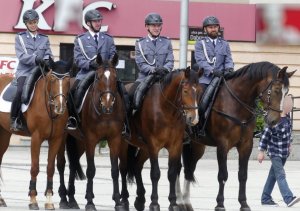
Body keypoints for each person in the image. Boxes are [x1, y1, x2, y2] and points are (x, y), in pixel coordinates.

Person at [66, 9, 116, 130]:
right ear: (88, 23)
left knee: (122, 91)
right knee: (72, 91)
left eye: (100, 21)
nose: (98, 23)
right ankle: (72, 119)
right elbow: (77, 60)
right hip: (85, 73)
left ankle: (124, 121)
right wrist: (90, 64)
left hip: (105, 73)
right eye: (95, 21)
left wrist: (106, 66)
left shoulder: (108, 39)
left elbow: (113, 55)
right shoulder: (80, 39)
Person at [11, 9, 52, 131]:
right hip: (25, 71)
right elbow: (22, 56)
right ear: (26, 24)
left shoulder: (44, 38)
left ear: (37, 22)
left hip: (41, 71)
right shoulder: (20, 38)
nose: (33, 24)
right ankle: (14, 119)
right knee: (19, 91)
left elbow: (49, 54)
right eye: (30, 23)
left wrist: (45, 60)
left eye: (34, 22)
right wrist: (36, 59)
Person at [257, 94, 300, 207]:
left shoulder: (287, 117)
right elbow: (265, 136)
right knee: (281, 175)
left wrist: (290, 144)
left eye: (291, 103)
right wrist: (261, 151)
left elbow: (289, 132)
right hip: (275, 151)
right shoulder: (273, 119)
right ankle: (288, 198)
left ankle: (265, 198)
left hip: (284, 153)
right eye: (288, 103)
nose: (290, 105)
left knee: (273, 175)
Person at [128, 12, 174, 109]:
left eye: (159, 25)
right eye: (153, 26)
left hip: (163, 77)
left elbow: (170, 61)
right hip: (145, 78)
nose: (157, 28)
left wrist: (164, 69)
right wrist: (153, 70)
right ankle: (129, 122)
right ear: (147, 26)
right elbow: (140, 63)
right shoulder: (140, 43)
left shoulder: (167, 42)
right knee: (131, 95)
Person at [194, 15, 234, 91]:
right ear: (205, 29)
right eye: (210, 27)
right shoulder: (200, 43)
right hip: (206, 79)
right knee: (201, 98)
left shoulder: (224, 44)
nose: (213, 29)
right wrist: (212, 70)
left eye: (215, 27)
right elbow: (200, 61)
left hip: (222, 78)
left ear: (218, 28)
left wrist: (229, 68)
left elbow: (228, 60)